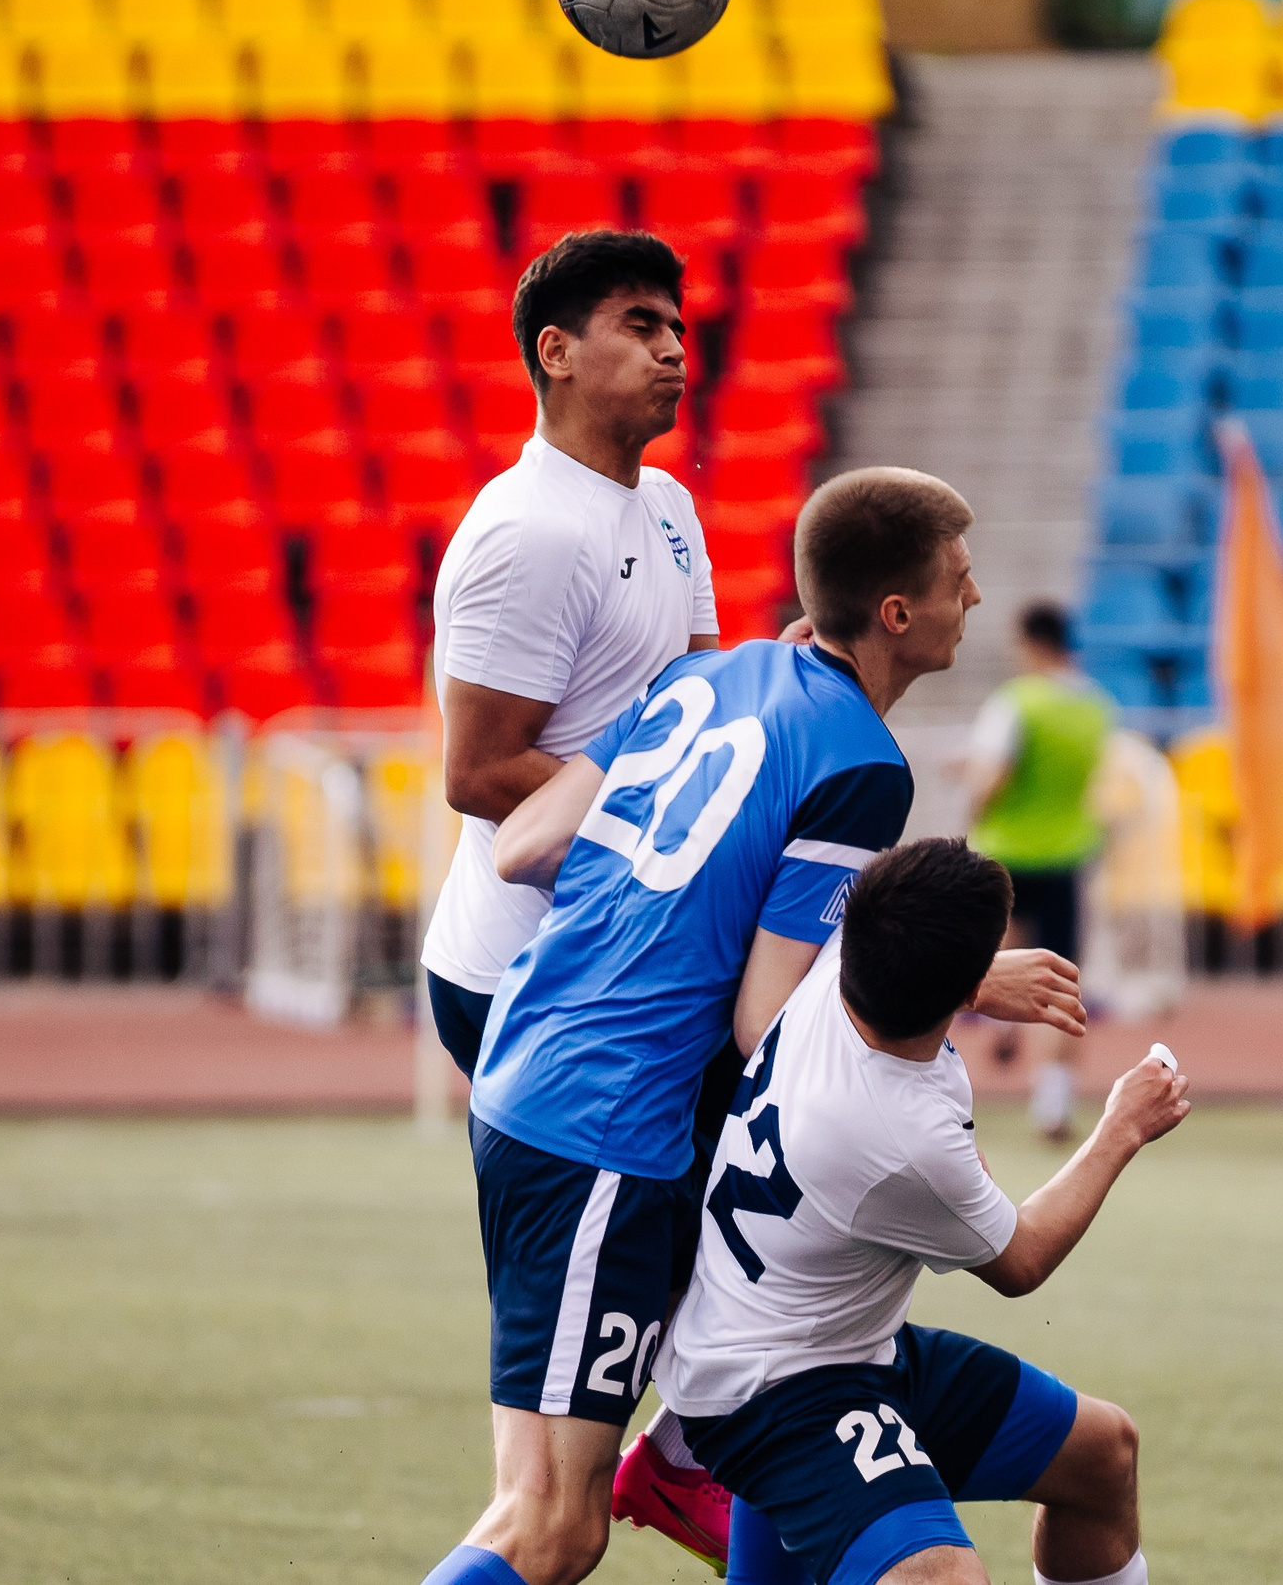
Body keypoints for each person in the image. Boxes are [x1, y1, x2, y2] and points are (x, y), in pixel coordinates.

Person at [421, 470, 1087, 1585]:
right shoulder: (862, 767)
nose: (973, 601)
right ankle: (681, 1456)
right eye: (957, 583)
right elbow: (766, 1018)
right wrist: (960, 977)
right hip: (607, 1130)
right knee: (549, 1524)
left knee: (762, 1352)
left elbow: (527, 845)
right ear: (896, 614)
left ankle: (683, 1455)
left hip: (530, 1066)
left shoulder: (706, 675)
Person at [655, 837, 1188, 1585]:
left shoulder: (832, 960)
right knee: (940, 1577)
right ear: (959, 988)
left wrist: (975, 980)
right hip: (779, 1393)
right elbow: (1022, 1256)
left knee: (1104, 1455)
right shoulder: (900, 1135)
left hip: (840, 1345)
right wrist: (1122, 1126)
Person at [420, 229, 718, 1081]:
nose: (671, 349)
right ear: (556, 352)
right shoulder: (529, 532)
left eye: (677, 330)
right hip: (526, 971)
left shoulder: (667, 502)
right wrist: (673, 833)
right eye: (639, 325)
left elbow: (693, 702)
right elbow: (476, 774)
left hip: (619, 953)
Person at [967, 601, 1113, 1139]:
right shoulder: (1096, 708)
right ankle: (1052, 1105)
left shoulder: (1015, 703)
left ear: (1031, 643)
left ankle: (1001, 1020)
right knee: (1061, 976)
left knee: (999, 952)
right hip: (1067, 853)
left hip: (1005, 852)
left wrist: (971, 803)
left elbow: (993, 779)